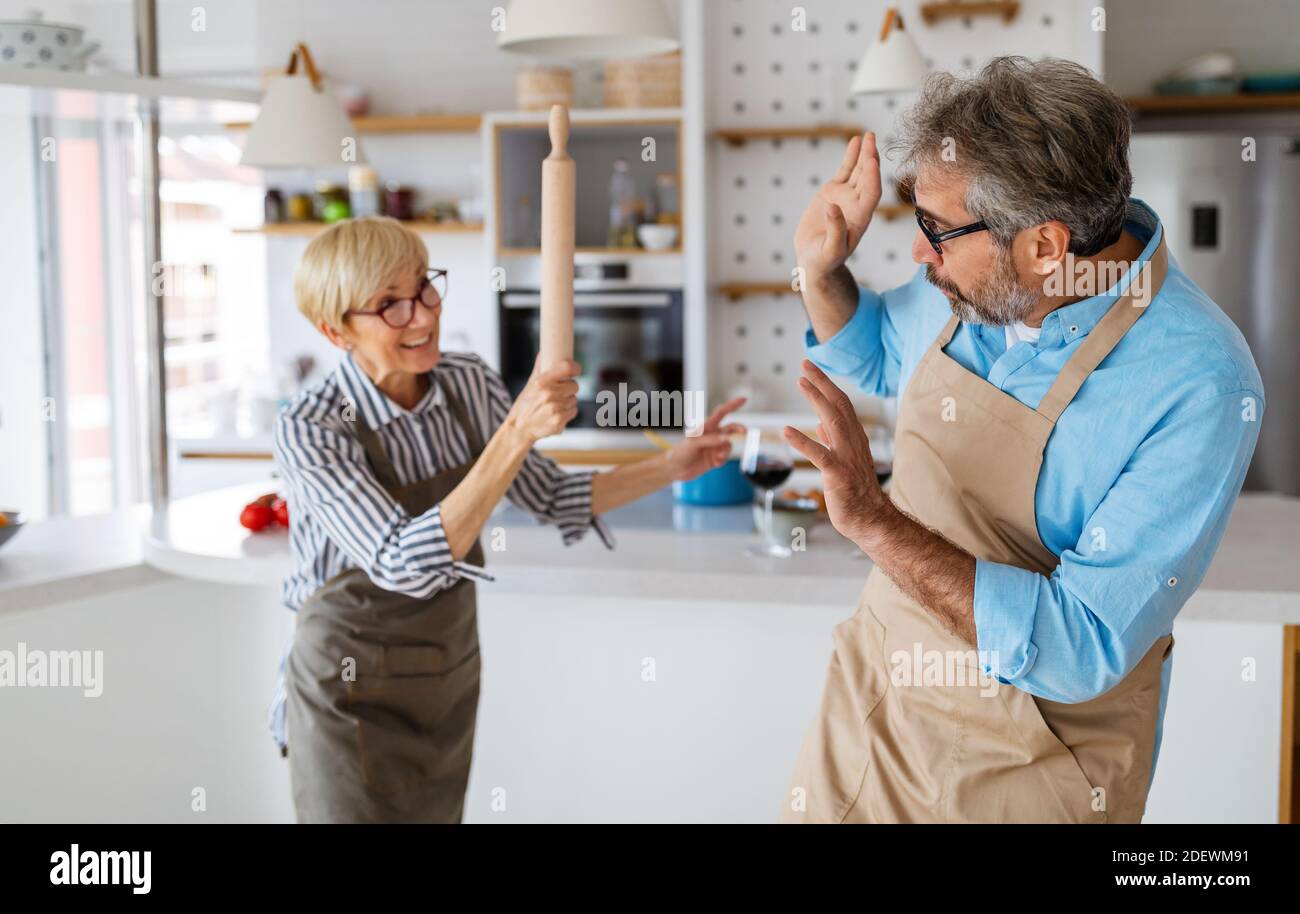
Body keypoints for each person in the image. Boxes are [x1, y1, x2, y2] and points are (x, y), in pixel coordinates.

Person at [781, 57, 1264, 823]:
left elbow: (1082, 646)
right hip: (873, 727)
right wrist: (819, 271)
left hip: (1035, 771)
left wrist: (874, 521)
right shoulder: (981, 280)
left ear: (1045, 247)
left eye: (936, 232)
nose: (917, 255)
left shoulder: (1200, 383)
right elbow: (875, 354)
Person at [270, 216, 742, 823]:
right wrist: (516, 430)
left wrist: (675, 464)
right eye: (389, 305)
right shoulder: (312, 425)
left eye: (423, 287)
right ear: (336, 332)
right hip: (347, 689)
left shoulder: (466, 381)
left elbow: (552, 497)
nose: (421, 315)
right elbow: (400, 564)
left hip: (443, 674)